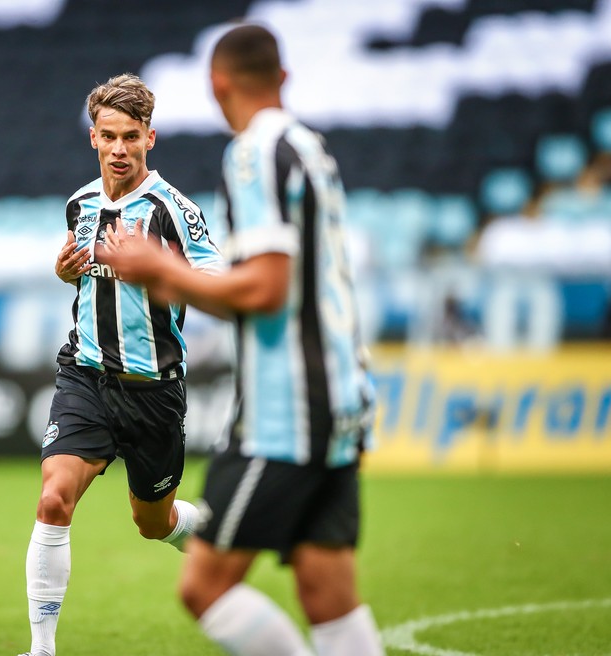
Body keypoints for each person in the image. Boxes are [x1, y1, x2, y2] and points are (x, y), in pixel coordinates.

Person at [100, 25, 385, 656]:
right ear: (282, 79)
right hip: (340, 396)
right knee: (324, 588)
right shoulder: (309, 147)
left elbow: (266, 289)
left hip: (285, 413)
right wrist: (185, 285)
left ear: (216, 84)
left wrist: (161, 270)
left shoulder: (253, 152)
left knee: (203, 586)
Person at [19, 73, 224, 656]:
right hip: (85, 372)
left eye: (130, 137)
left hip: (153, 388)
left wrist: (160, 270)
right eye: (107, 136)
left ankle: (215, 532)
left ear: (150, 138)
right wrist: (65, 272)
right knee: (54, 498)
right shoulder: (79, 203)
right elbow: (83, 277)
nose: (118, 149)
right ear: (92, 138)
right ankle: (41, 649)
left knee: (152, 523)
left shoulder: (173, 210)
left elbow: (219, 282)